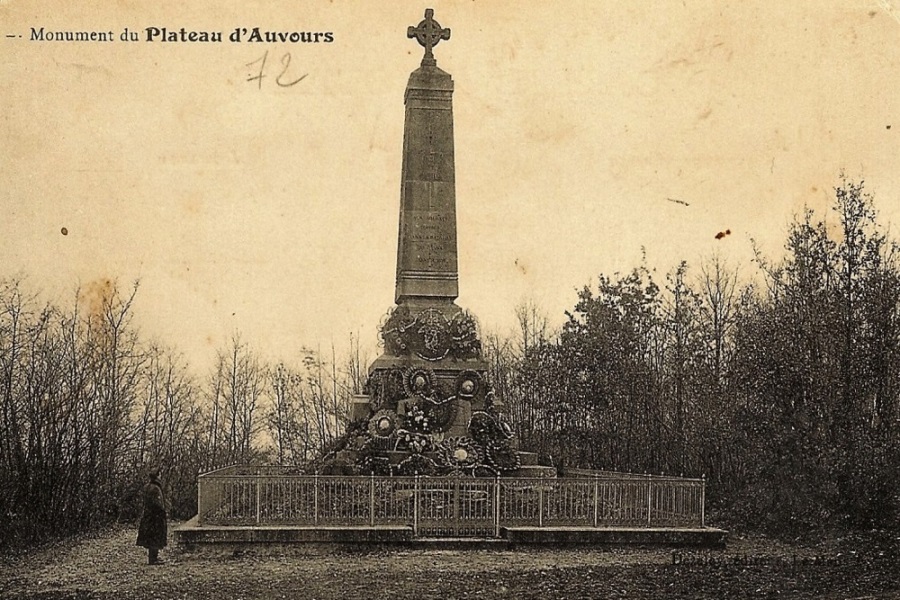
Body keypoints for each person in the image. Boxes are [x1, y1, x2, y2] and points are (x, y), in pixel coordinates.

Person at [136, 468, 168, 565]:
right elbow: (158, 504)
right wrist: (163, 512)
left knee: (151, 537)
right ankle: (153, 559)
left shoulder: (147, 486)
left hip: (148, 515)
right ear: (157, 475)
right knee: (155, 537)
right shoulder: (155, 488)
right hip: (155, 516)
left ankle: (153, 557)